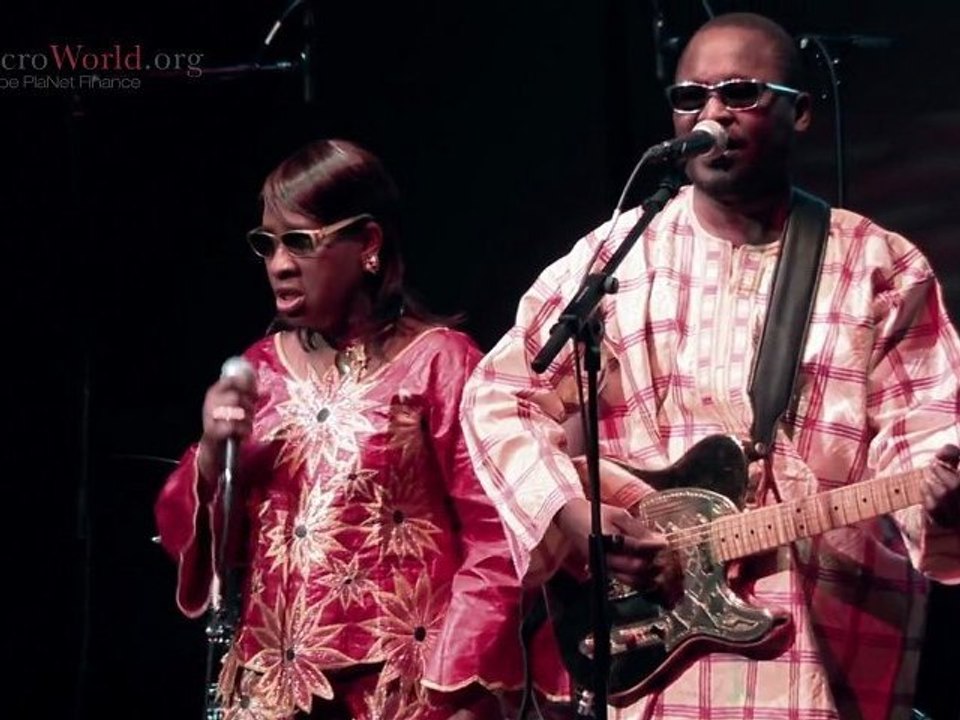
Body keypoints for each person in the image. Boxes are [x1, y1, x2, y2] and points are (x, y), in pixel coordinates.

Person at [461, 12, 960, 720]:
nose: (713, 114)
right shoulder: (615, 259)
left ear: (801, 111)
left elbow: (928, 432)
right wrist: (576, 517)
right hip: (657, 655)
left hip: (819, 643)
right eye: (691, 97)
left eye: (740, 93)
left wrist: (943, 498)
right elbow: (501, 395)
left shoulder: (879, 265)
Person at [154, 139, 566, 719]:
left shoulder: (440, 363)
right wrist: (211, 458)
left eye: (300, 242)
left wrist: (453, 683)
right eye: (266, 244)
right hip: (271, 696)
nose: (278, 265)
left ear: (368, 244)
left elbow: (498, 538)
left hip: (406, 696)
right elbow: (204, 551)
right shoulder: (259, 371)